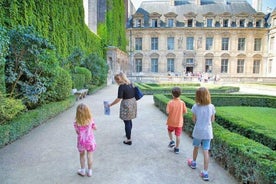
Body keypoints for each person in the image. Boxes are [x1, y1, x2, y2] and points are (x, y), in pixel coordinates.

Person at [188, 87, 216, 181]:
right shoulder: (211, 106)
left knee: (196, 147)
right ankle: (205, 172)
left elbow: (193, 119)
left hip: (198, 131)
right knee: (206, 151)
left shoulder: (195, 106)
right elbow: (212, 120)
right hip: (207, 132)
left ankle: (194, 163)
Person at [109, 72, 137, 145]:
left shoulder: (122, 86)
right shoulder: (130, 83)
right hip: (133, 103)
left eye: (116, 80)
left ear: (119, 80)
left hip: (126, 105)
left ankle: (129, 139)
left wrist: (110, 105)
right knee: (129, 119)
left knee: (126, 121)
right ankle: (129, 134)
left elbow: (119, 98)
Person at [74, 103, 97, 177]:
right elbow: (95, 127)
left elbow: (77, 132)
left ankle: (83, 170)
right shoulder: (90, 120)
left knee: (82, 155)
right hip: (90, 141)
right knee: (90, 155)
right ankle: (90, 171)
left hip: (81, 142)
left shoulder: (76, 122)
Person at [166, 87, 187, 154]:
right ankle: (177, 148)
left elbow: (167, 112)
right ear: (180, 94)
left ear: (172, 94)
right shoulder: (182, 103)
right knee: (178, 135)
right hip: (179, 122)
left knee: (169, 131)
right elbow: (185, 112)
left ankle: (172, 141)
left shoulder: (170, 102)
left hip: (171, 121)